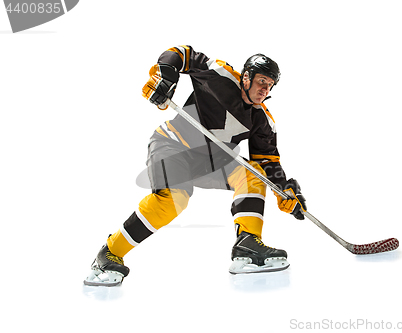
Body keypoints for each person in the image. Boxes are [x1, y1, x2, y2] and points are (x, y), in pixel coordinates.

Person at [83, 45, 307, 286]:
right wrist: (166, 73)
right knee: (173, 201)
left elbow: (268, 161)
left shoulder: (261, 119)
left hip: (208, 163)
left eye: (270, 85)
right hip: (173, 145)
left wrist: (283, 188)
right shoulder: (220, 76)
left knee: (254, 174)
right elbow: (182, 53)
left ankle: (248, 245)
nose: (265, 89)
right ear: (246, 77)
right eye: (262, 81)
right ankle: (109, 253)